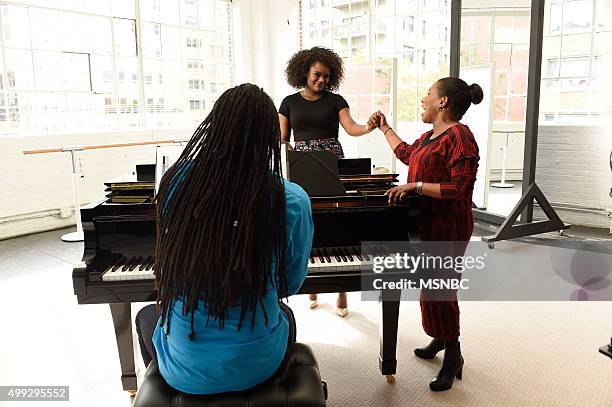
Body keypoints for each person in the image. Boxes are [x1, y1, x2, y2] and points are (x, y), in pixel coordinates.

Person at [135, 84, 314, 395]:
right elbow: (290, 284)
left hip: (183, 371)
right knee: (283, 314)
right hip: (258, 366)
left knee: (146, 317)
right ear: (270, 139)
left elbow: (167, 256)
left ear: (213, 127)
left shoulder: (174, 182)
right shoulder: (292, 199)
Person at [370, 77, 482, 391]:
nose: (424, 98)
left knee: (441, 288)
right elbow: (407, 154)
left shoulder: (460, 136)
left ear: (443, 102)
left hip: (449, 223)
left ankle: (453, 355)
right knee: (429, 286)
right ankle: (440, 337)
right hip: (426, 223)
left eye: (429, 94)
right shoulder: (430, 136)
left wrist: (415, 186)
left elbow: (460, 189)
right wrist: (384, 128)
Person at [279, 46, 378, 317]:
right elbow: (282, 140)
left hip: (330, 163)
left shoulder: (336, 101)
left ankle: (341, 289)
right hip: (300, 167)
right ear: (304, 72)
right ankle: (311, 282)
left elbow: (352, 128)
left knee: (336, 223)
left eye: (326, 76)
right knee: (308, 220)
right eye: (317, 74)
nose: (322, 80)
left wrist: (369, 126)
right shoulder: (288, 101)